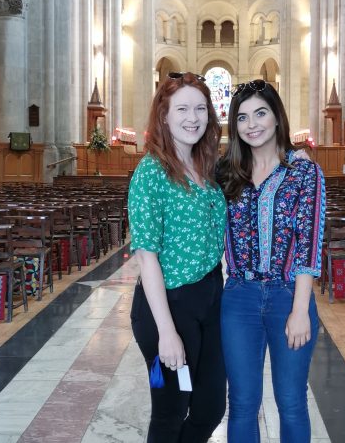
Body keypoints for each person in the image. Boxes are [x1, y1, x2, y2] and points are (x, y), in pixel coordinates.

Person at [216, 79, 326, 443]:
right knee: (243, 403)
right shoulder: (225, 173)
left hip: (287, 296)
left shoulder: (303, 172)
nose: (252, 124)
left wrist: (300, 310)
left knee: (291, 402)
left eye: (260, 113)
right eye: (243, 117)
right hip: (239, 296)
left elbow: (309, 244)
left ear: (277, 116)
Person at [129, 72, 227, 442]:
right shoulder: (151, 171)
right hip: (165, 308)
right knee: (171, 411)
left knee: (211, 407)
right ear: (164, 116)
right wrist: (166, 333)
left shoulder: (207, 168)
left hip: (210, 298)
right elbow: (147, 256)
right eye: (182, 108)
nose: (193, 117)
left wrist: (292, 154)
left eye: (200, 108)